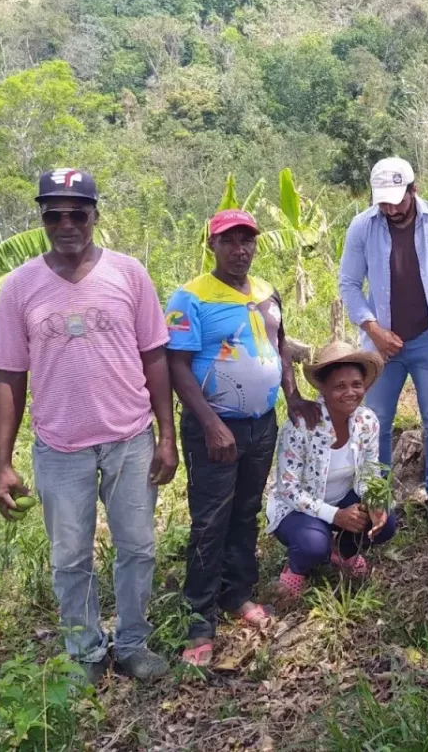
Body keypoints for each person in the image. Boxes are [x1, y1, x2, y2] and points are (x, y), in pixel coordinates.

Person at [0, 168, 177, 684]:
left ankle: (133, 643)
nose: (66, 223)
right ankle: (86, 652)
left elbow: (154, 356)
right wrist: (2, 463)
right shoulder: (21, 286)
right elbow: (9, 374)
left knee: (137, 546)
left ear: (95, 216)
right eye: (54, 214)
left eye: (78, 213)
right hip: (59, 446)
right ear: (42, 219)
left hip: (129, 438)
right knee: (70, 557)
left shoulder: (129, 274)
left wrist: (167, 435)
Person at [164, 209, 322, 667]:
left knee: (246, 511)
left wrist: (291, 397)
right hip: (213, 427)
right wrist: (211, 424)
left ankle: (238, 594)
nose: (240, 250)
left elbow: (280, 347)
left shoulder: (267, 291)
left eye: (247, 241)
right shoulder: (189, 298)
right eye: (229, 241)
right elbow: (177, 366)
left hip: (261, 423)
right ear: (212, 246)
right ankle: (199, 617)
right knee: (210, 519)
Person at [338, 157, 428, 531]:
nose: (391, 209)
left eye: (398, 200)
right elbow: (349, 284)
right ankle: (379, 501)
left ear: (414, 189)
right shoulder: (362, 227)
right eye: (383, 201)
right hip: (382, 346)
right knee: (375, 422)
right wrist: (374, 329)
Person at [264, 342, 397, 597]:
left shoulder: (366, 420)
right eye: (339, 386)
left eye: (356, 384)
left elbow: (368, 472)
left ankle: (344, 552)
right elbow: (289, 490)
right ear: (322, 389)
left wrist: (373, 501)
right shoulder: (300, 426)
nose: (350, 392)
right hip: (297, 507)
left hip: (342, 498)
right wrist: (335, 515)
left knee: (387, 520)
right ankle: (296, 566)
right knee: (313, 545)